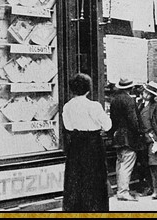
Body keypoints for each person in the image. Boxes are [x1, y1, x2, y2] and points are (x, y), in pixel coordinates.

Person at [62, 73, 112, 211]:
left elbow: (68, 126)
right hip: (93, 143)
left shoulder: (67, 106)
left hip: (76, 143)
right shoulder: (94, 106)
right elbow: (107, 125)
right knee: (94, 177)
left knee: (75, 178)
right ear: (88, 89)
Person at [109, 78, 144, 202]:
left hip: (117, 136)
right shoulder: (129, 100)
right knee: (127, 164)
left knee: (120, 163)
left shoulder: (114, 100)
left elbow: (112, 120)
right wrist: (139, 132)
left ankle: (120, 190)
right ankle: (123, 191)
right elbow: (133, 120)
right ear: (131, 88)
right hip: (128, 137)